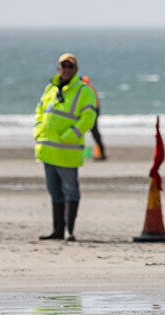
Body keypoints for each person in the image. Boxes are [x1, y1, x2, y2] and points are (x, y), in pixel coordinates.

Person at [34, 53, 97, 241]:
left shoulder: (83, 90)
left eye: (70, 66)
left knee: (71, 190)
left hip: (67, 151)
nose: (67, 69)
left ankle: (70, 230)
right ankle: (57, 230)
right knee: (54, 191)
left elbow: (88, 118)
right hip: (47, 149)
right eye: (64, 66)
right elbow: (40, 111)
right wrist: (38, 130)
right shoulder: (50, 89)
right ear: (58, 68)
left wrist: (70, 135)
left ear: (76, 70)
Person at [80, 75, 106, 160]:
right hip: (94, 110)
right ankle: (101, 153)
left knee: (93, 132)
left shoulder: (86, 88)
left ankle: (101, 153)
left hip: (92, 111)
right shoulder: (89, 87)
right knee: (94, 133)